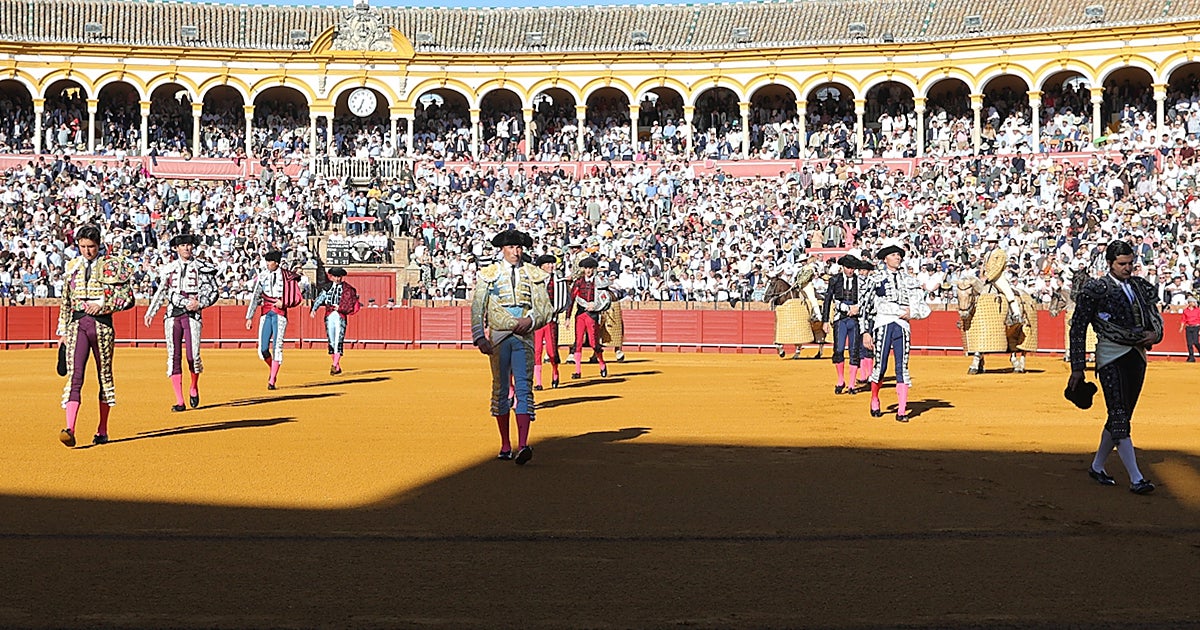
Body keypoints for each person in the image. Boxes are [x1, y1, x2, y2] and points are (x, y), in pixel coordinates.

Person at [1069, 239, 1162, 494]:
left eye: (1131, 263)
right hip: (1110, 357)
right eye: (1122, 263)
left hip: (1137, 356)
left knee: (1121, 415)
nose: (1128, 268)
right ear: (1109, 263)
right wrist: (1078, 368)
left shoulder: (1141, 287)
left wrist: (1155, 335)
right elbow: (1077, 328)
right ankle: (1136, 478)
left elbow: (1155, 320)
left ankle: (1097, 466)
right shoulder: (1096, 289)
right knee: (1119, 415)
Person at [470, 229, 553, 465]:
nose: (516, 252)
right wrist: (479, 337)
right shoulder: (488, 274)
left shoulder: (534, 274)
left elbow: (545, 309)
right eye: (511, 248)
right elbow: (478, 308)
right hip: (498, 338)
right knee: (501, 389)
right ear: (502, 249)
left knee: (524, 388)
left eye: (519, 248)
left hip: (524, 337)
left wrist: (531, 321)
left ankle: (523, 444)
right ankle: (505, 444)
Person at [56, 225, 135, 447]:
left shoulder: (112, 266)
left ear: (98, 245)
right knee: (75, 376)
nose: (87, 251)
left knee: (105, 377)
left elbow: (128, 298)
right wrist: (62, 331)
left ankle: (102, 429)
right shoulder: (72, 267)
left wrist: (102, 304)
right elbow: (66, 301)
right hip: (77, 325)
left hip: (102, 326)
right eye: (82, 246)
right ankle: (70, 428)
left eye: (90, 246)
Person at [144, 233, 219, 411]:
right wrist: (151, 311)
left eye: (189, 245)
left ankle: (193, 386)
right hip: (172, 314)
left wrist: (201, 303)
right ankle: (179, 401)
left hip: (193, 313)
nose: (186, 248)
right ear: (176, 248)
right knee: (173, 356)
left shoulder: (203, 267)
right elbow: (162, 290)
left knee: (193, 356)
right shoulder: (169, 268)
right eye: (183, 245)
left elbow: (214, 291)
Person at [859, 241, 931, 423]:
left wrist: (912, 313)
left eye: (899, 255)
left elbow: (922, 307)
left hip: (902, 325)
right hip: (883, 323)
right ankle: (874, 398)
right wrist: (865, 332)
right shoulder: (875, 279)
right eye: (893, 255)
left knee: (902, 367)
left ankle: (901, 410)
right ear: (885, 259)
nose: (897, 257)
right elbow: (864, 307)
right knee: (880, 366)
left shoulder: (909, 280)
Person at [245, 250, 308, 390]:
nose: (267, 264)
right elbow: (256, 296)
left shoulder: (287, 276)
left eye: (270, 261)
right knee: (263, 349)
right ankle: (273, 368)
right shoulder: (263, 275)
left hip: (279, 313)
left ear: (277, 263)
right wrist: (249, 316)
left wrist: (284, 303)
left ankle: (272, 379)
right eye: (266, 261)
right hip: (266, 312)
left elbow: (296, 295)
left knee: (277, 347)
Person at [822, 254, 863, 394]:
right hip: (840, 318)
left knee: (854, 351)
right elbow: (828, 300)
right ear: (843, 267)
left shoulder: (860, 281)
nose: (850, 271)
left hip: (855, 319)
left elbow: (866, 298)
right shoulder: (835, 280)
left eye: (852, 268)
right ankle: (840, 380)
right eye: (848, 268)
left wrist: (858, 308)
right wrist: (825, 320)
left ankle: (851, 384)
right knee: (838, 349)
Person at [310, 267, 359, 375]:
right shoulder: (327, 288)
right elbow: (320, 298)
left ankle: (334, 364)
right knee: (332, 341)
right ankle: (337, 366)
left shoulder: (347, 289)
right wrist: (314, 309)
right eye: (335, 276)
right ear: (331, 277)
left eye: (339, 277)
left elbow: (351, 302)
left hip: (340, 315)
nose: (337, 279)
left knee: (338, 339)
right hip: (329, 315)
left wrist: (341, 307)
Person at [570, 257, 611, 379]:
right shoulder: (578, 282)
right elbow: (572, 299)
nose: (588, 270)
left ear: (594, 269)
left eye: (590, 268)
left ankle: (602, 364)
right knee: (578, 342)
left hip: (593, 315)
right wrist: (568, 317)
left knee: (594, 343)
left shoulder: (599, 282)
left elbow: (605, 297)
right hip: (580, 314)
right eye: (586, 268)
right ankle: (577, 370)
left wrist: (597, 306)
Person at [532, 254, 568, 390]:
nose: (551, 266)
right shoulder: (534, 281)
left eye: (552, 263)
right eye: (548, 264)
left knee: (552, 351)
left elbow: (565, 300)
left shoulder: (559, 281)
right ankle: (538, 382)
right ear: (541, 267)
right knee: (537, 351)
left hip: (552, 320)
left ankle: (555, 371)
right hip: (538, 320)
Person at [1180, 295, 1200, 362]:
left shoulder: (1198, 310)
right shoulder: (1185, 311)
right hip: (1188, 327)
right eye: (1194, 302)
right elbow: (1183, 319)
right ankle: (1191, 357)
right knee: (1189, 343)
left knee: (1196, 342)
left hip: (1196, 327)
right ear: (1190, 303)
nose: (1195, 303)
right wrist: (1181, 327)